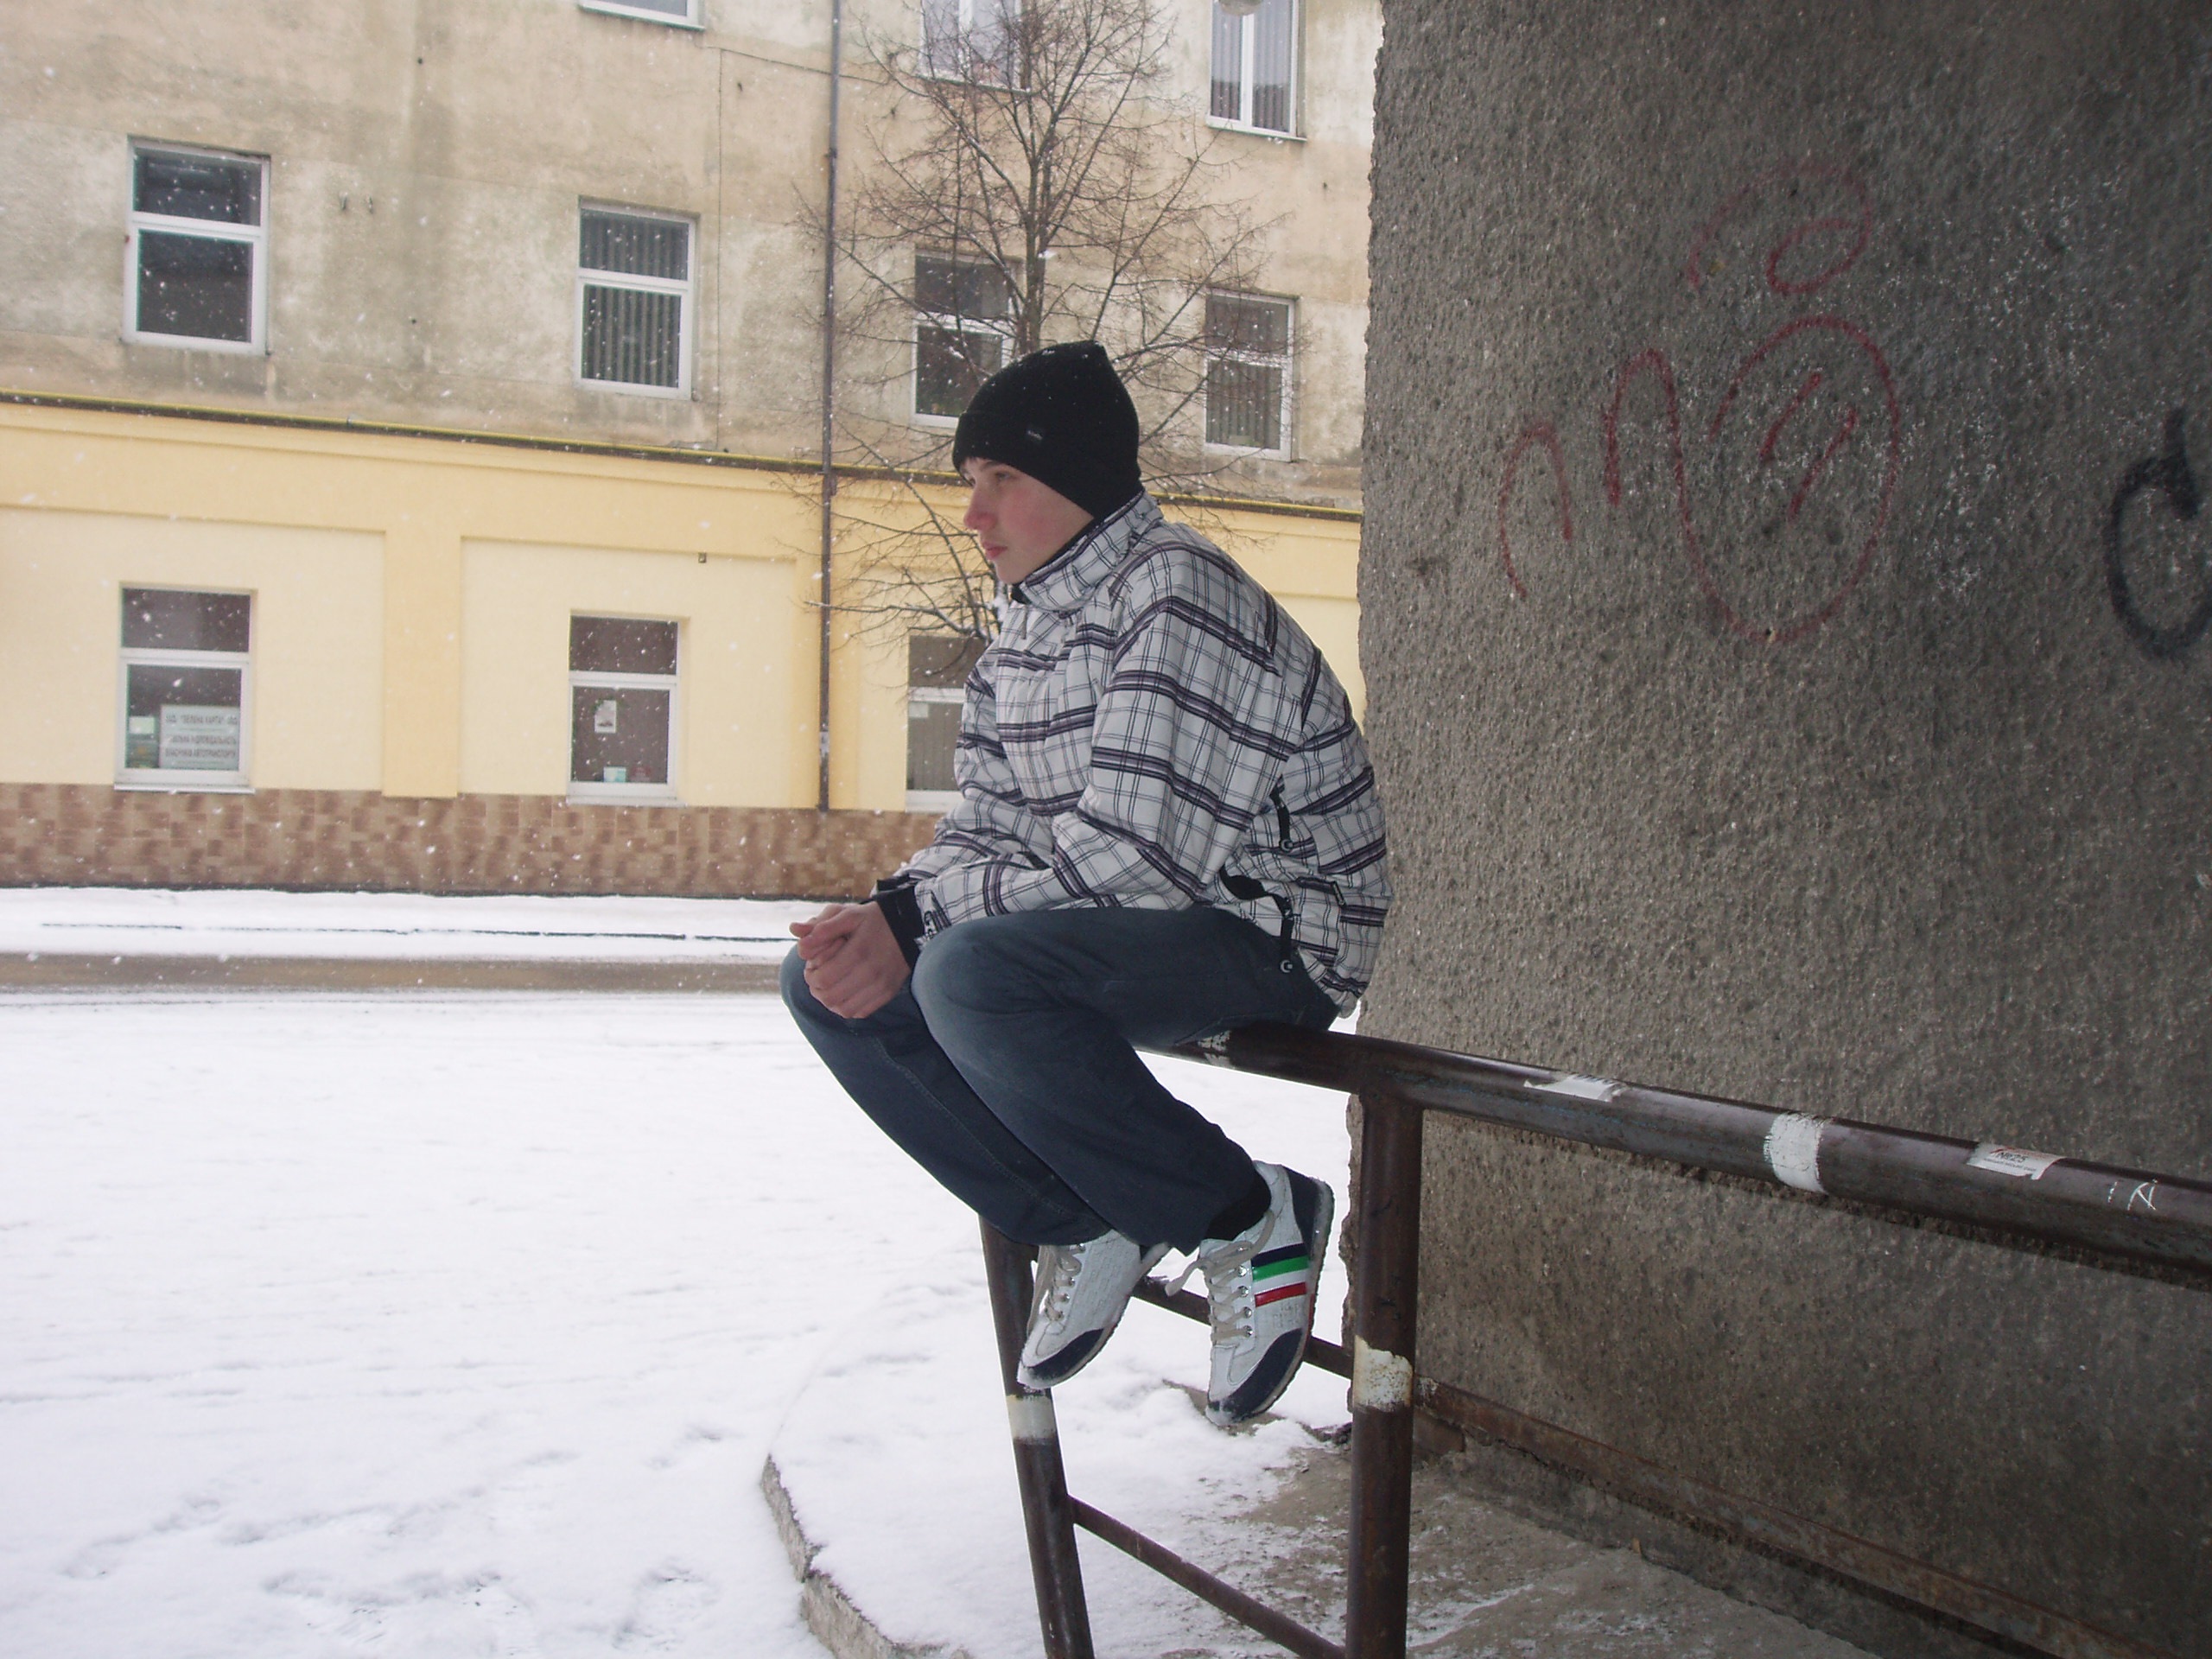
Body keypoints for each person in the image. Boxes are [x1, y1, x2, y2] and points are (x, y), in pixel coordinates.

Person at [782, 340, 1389, 1426]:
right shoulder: (1026, 631)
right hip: (1149, 927)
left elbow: (1136, 861)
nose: (974, 512)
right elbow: (992, 825)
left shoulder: (1178, 593)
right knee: (831, 985)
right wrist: (884, 915)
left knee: (966, 975)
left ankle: (1247, 1216)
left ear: (1076, 478)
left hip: (1277, 933)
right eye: (970, 480)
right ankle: (1085, 1219)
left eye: (1001, 477)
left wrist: (920, 924)